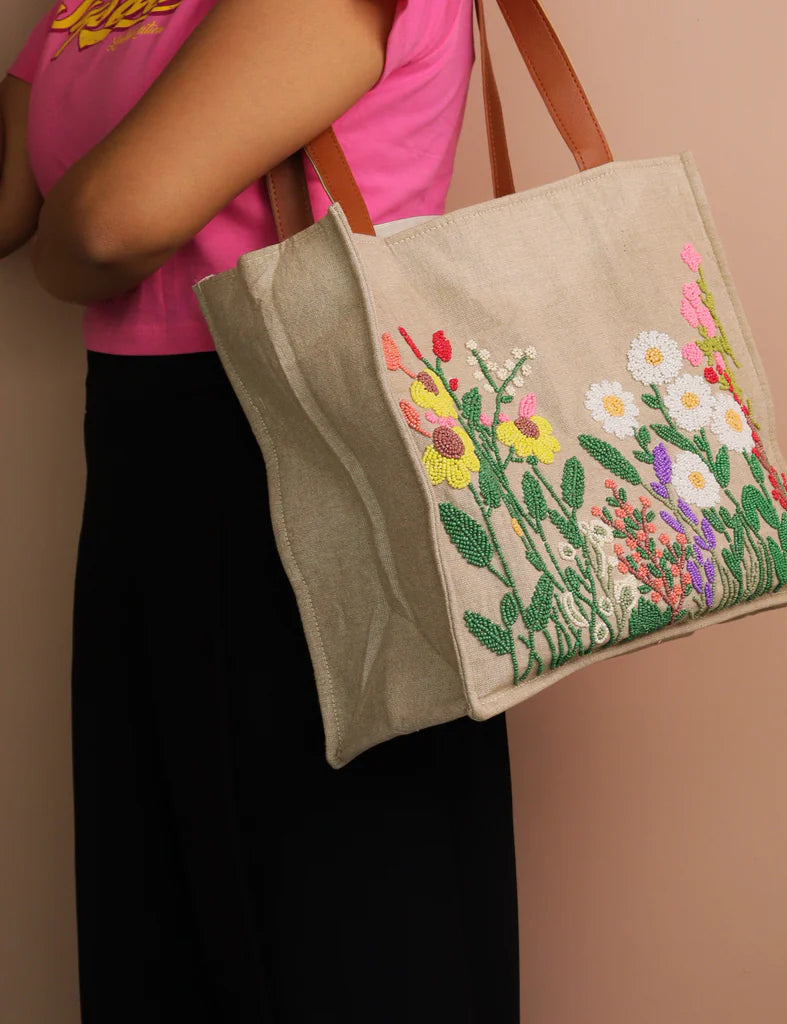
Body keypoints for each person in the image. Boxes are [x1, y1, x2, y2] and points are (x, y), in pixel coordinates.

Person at [0, 1, 519, 1020]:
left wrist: (70, 251)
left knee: (345, 924)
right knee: (169, 925)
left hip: (325, 460)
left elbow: (106, 228)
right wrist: (70, 236)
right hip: (149, 471)